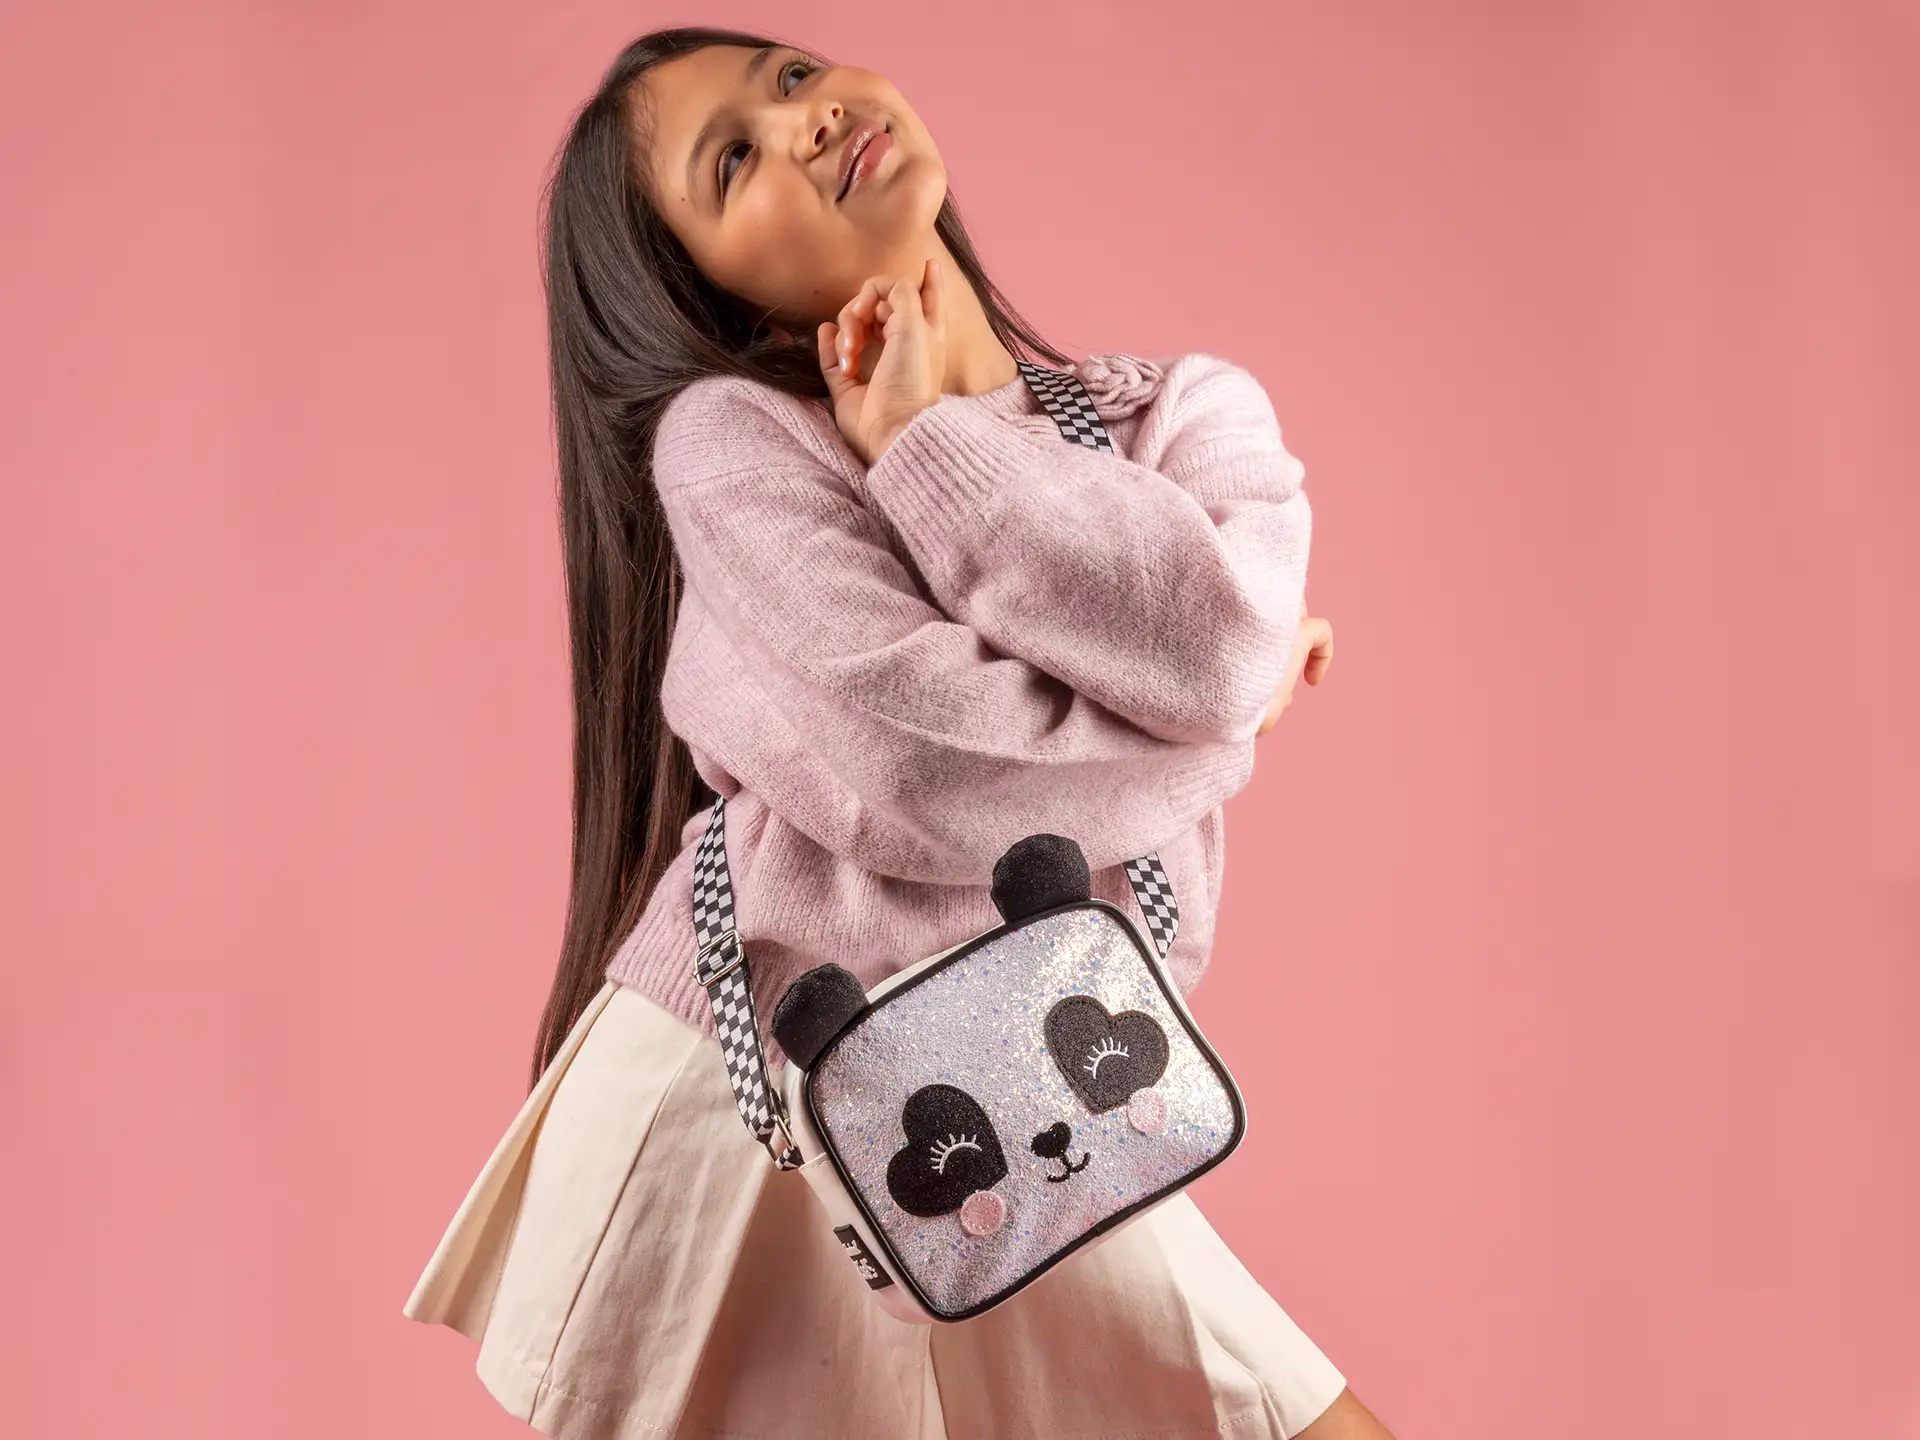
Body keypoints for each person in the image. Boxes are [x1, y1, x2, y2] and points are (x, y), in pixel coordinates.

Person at [403, 23, 1388, 1440]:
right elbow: (928, 774)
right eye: (731, 160)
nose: (801, 120)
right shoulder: (737, 448)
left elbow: (1222, 649)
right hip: (764, 1098)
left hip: (1041, 1099)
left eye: (792, 76)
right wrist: (1224, 731)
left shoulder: (1188, 416)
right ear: (710, 292)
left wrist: (936, 443)